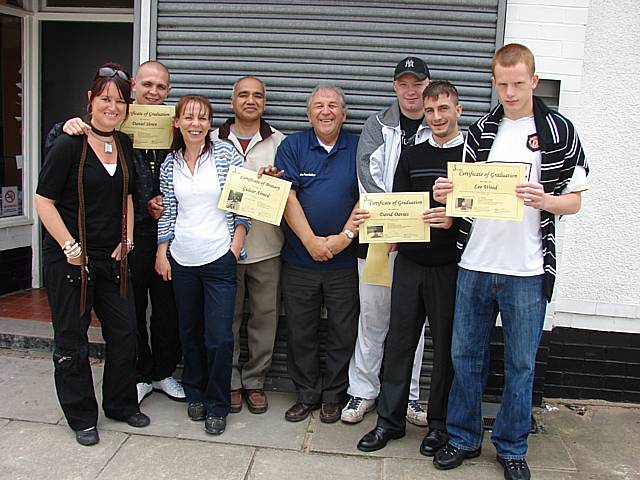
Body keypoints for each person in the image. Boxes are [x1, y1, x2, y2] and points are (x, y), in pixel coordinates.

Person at [432, 44, 589, 480]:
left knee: (522, 363)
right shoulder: (482, 130)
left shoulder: (559, 131)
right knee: (465, 356)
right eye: (502, 84)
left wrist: (546, 199)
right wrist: (448, 194)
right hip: (476, 262)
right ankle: (463, 438)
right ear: (493, 82)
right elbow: (463, 199)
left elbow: (575, 201)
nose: (510, 92)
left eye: (518, 83)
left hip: (527, 267)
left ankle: (512, 446)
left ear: (534, 81)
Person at [35, 63, 150, 447]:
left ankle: (119, 403)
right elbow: (42, 199)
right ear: (90, 100)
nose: (112, 107)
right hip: (70, 259)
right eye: (105, 99)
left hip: (112, 258)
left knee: (126, 333)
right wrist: (69, 246)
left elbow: (129, 197)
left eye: (119, 101)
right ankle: (82, 414)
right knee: (71, 338)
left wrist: (128, 239)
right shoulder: (69, 143)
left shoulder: (125, 144)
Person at [57, 61, 185, 405]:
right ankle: (141, 373)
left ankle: (163, 372)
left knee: (167, 307)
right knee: (132, 307)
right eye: (146, 85)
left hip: (174, 233)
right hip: (131, 235)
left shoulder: (176, 126)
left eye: (160, 86)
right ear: (134, 90)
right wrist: (67, 125)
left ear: (168, 91)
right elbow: (71, 140)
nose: (153, 91)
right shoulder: (115, 121)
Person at [357, 81, 463, 454]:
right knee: (400, 343)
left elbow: (481, 213)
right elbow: (397, 203)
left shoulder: (471, 157)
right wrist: (383, 228)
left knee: (445, 346)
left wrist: (453, 220)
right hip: (409, 264)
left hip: (450, 267)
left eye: (444, 109)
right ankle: (390, 421)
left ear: (458, 111)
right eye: (431, 110)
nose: (437, 117)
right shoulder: (413, 154)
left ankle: (438, 425)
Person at [342, 56, 431, 426]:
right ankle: (362, 392)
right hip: (377, 240)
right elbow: (367, 177)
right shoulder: (376, 124)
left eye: (418, 84)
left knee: (414, 325)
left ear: (428, 85)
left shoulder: (438, 125)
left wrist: (412, 225)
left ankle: (407, 397)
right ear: (395, 87)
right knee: (373, 318)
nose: (411, 91)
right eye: (404, 84)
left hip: (421, 245)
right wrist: (395, 224)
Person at [155, 95, 249, 436]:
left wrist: (234, 246)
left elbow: (242, 206)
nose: (196, 124)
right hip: (183, 259)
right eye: (189, 118)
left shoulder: (225, 155)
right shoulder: (170, 163)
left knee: (220, 337)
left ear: (210, 124)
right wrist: (161, 250)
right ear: (177, 122)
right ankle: (194, 391)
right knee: (189, 331)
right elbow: (168, 211)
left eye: (203, 118)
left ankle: (217, 403)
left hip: (218, 260)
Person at [274, 84, 360, 424]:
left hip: (345, 260)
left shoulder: (358, 145)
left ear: (344, 113)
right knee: (301, 330)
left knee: (343, 330)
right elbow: (287, 196)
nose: (326, 111)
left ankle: (333, 396)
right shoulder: (292, 145)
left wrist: (344, 237)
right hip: (299, 259)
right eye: (319, 106)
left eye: (333, 106)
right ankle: (307, 394)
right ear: (309, 114)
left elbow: (369, 194)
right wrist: (310, 241)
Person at [211, 76, 285, 414]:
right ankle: (230, 382)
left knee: (264, 318)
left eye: (258, 96)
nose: (250, 100)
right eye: (243, 94)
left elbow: (293, 195)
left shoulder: (281, 143)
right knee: (226, 319)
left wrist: (277, 183)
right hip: (220, 248)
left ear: (265, 103)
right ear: (232, 101)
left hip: (266, 247)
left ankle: (255, 381)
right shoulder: (210, 139)